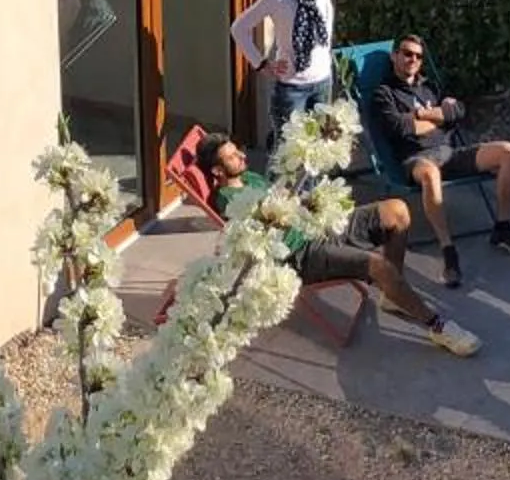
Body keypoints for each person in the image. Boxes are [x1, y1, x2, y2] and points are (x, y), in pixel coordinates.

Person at [203, 137, 481, 358]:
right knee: (378, 265)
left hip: (318, 227)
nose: (241, 155)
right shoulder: (227, 199)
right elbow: (262, 227)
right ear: (217, 170)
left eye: (237, 150)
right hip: (300, 255)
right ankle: (437, 326)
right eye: (231, 156)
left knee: (397, 211)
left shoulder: (251, 178)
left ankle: (393, 293)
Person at [368, 35, 510, 287]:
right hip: (416, 159)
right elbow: (399, 127)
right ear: (394, 56)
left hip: (449, 153)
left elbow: (458, 111)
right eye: (407, 53)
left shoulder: (430, 87)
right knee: (431, 174)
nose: (413, 59)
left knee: (508, 152)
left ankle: (502, 228)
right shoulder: (384, 93)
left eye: (418, 56)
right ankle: (448, 250)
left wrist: (422, 114)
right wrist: (439, 117)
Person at [229, 0, 339, 155]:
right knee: (288, 156)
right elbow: (239, 28)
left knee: (316, 155)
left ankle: (310, 192)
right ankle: (277, 191)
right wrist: (261, 64)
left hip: (322, 83)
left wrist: (326, 62)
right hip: (291, 88)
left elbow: (327, 26)